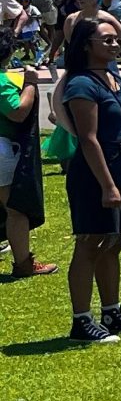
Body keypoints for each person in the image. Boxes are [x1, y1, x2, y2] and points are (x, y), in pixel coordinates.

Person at [59, 14, 121, 343]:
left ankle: (112, 312)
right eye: (107, 40)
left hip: (120, 168)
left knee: (114, 242)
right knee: (90, 243)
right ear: (87, 45)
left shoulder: (113, 78)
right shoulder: (81, 83)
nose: (115, 44)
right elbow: (89, 138)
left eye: (117, 39)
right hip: (94, 173)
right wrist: (108, 185)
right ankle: (81, 321)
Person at [2, 47, 53, 279]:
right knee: (15, 210)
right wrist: (31, 83)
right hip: (2, 150)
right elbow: (18, 111)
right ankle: (23, 263)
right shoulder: (2, 82)